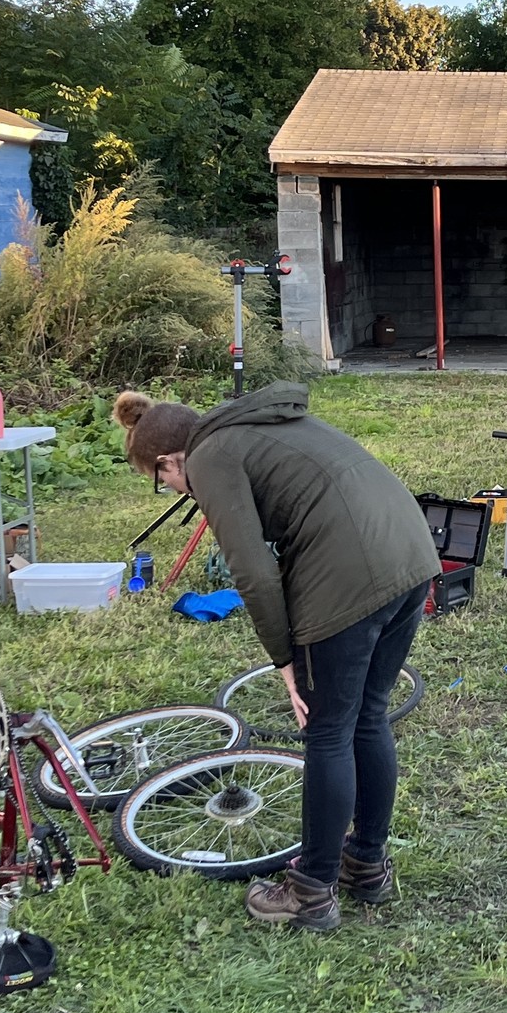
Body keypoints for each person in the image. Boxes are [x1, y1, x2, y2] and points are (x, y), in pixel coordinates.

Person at [115, 382, 440, 931]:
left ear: (170, 459)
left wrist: (286, 658)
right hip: (410, 556)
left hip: (350, 575)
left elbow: (253, 571)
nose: (174, 490)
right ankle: (366, 865)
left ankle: (311, 892)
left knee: (329, 731)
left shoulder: (212, 456)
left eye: (162, 481)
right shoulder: (257, 425)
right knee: (368, 714)